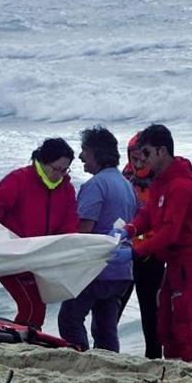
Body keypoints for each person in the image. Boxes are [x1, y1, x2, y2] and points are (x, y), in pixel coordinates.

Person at [111, 124, 192, 362]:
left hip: (189, 261)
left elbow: (169, 231)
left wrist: (134, 251)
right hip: (173, 261)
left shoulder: (181, 186)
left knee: (183, 324)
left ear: (161, 151)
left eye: (146, 153)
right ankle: (175, 369)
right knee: (164, 324)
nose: (142, 160)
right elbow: (149, 214)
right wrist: (130, 229)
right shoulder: (161, 181)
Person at [0, 138, 79, 329]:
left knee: (37, 306)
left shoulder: (66, 189)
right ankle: (24, 340)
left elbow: (69, 225)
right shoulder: (20, 179)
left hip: (39, 259)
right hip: (9, 256)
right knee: (32, 305)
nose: (59, 175)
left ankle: (18, 335)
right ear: (43, 161)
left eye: (64, 170)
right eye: (56, 169)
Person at [58, 126, 137, 352]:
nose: (81, 156)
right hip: (121, 271)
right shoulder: (126, 184)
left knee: (69, 320)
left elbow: (85, 231)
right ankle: (108, 364)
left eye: (84, 151)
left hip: (96, 270)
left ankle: (79, 358)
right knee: (105, 328)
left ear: (96, 153)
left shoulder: (96, 185)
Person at [119, 132, 165, 359]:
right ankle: (104, 353)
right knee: (111, 311)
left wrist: (143, 247)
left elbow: (167, 224)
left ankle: (154, 360)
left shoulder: (163, 182)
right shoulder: (124, 177)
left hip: (151, 257)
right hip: (125, 255)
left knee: (152, 315)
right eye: (133, 158)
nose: (138, 163)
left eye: (142, 158)